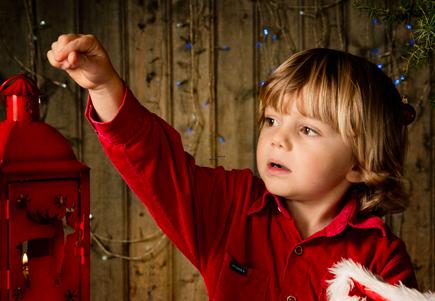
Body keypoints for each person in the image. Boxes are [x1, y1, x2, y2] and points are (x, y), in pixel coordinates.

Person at [47, 34, 417, 301]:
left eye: (307, 129)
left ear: (358, 164)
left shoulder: (381, 257)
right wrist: (104, 87)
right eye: (272, 120)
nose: (277, 139)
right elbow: (158, 165)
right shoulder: (231, 206)